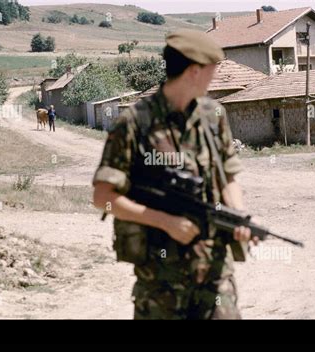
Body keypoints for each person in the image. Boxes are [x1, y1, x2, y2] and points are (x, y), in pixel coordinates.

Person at [92, 29, 257, 320]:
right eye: (211, 71)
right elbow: (103, 198)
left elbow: (229, 176)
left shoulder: (213, 115)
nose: (214, 79)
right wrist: (165, 222)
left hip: (215, 273)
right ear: (194, 71)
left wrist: (238, 216)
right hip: (161, 281)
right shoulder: (133, 123)